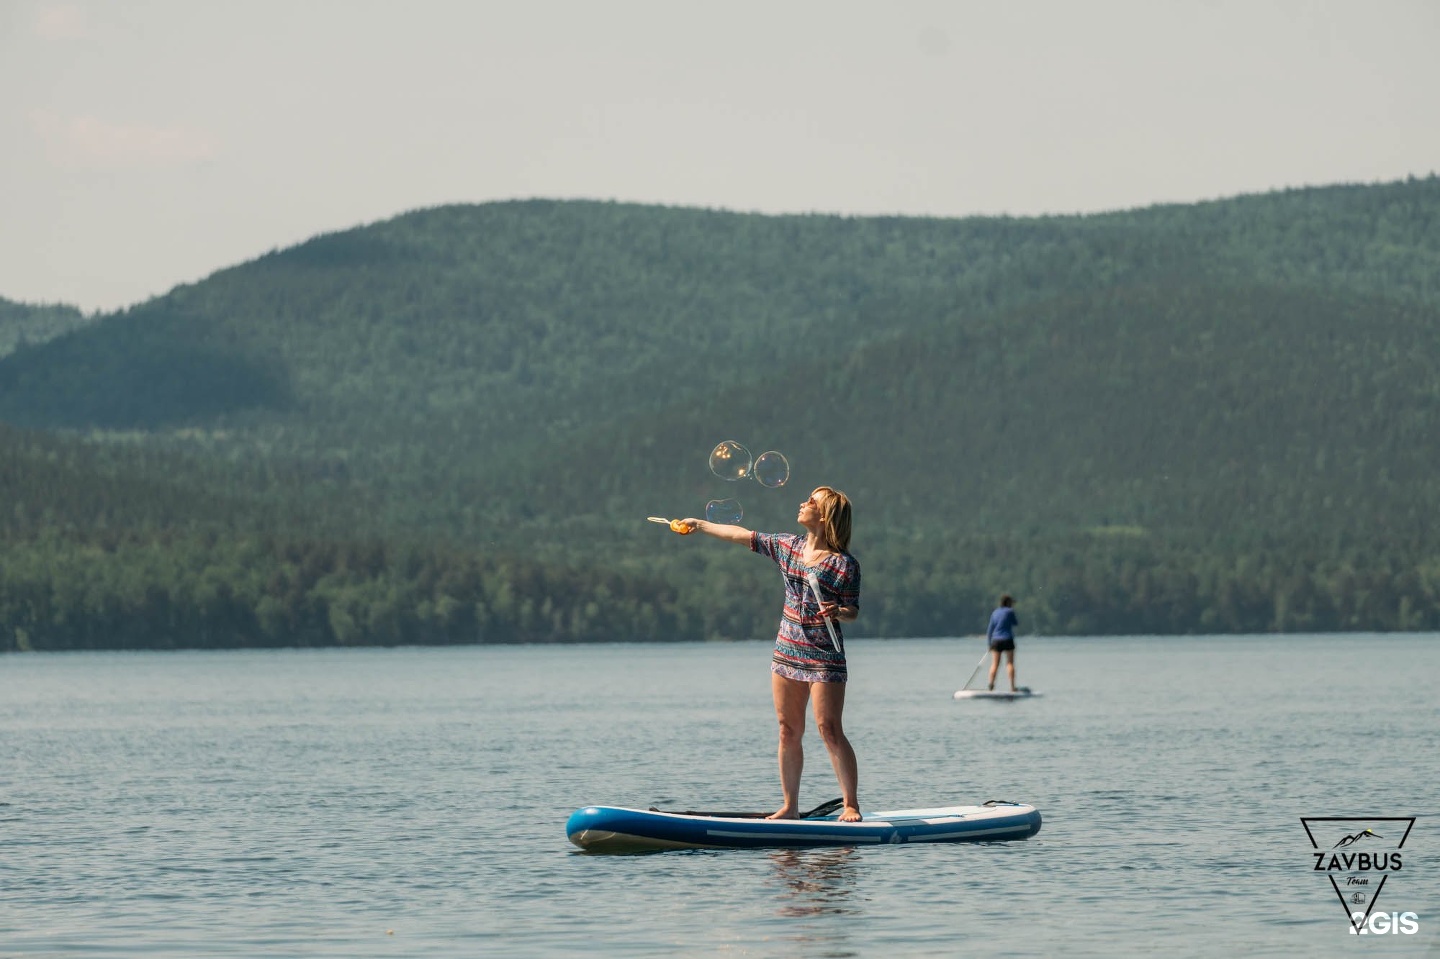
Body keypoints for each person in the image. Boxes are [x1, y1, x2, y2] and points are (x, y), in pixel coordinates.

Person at [676, 487, 862, 822]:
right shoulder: (788, 546)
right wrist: (699, 524)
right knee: (787, 730)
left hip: (824, 654)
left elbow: (853, 611)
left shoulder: (844, 565)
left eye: (811, 502)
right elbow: (740, 534)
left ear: (825, 515)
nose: (803, 504)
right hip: (787, 651)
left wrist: (840, 611)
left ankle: (851, 805)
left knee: (829, 728)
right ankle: (790, 806)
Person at [986, 594, 1019, 692]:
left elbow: (990, 630)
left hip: (996, 640)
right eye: (1011, 603)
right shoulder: (1010, 611)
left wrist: (989, 644)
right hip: (1008, 639)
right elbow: (1015, 623)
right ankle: (1012, 687)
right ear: (1008, 603)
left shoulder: (995, 612)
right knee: (1009, 663)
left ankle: (991, 685)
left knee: (995, 664)